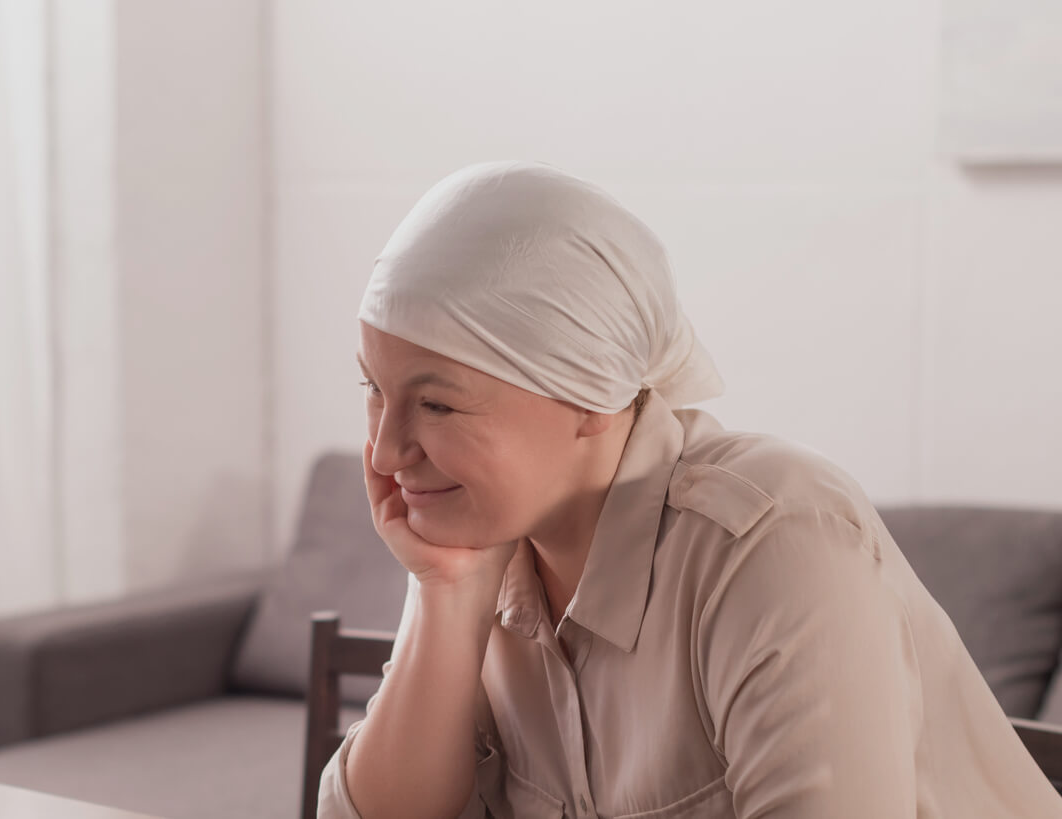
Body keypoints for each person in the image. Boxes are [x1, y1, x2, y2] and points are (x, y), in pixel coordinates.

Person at [318, 161, 1062, 818]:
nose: (386, 451)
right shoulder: (482, 537)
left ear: (590, 396)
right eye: (373, 389)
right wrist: (447, 594)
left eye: (438, 403)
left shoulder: (773, 547)